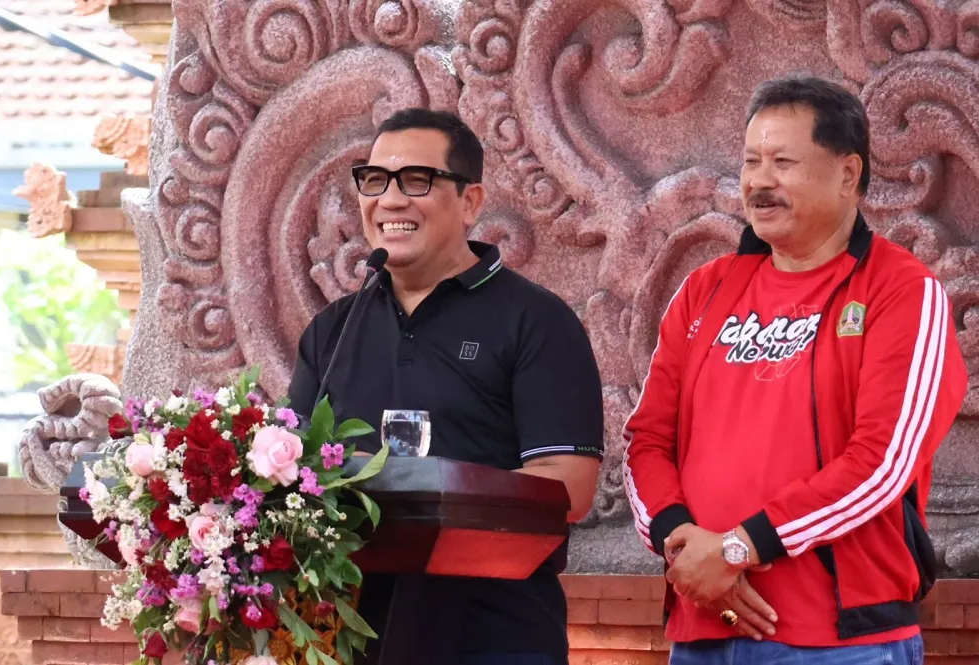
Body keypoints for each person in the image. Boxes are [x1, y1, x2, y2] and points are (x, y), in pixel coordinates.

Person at [622, 75, 968, 665]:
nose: (759, 181)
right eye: (750, 161)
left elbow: (881, 463)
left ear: (848, 174)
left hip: (841, 642)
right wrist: (684, 548)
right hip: (703, 630)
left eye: (782, 162)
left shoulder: (901, 290)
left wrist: (739, 548)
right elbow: (646, 441)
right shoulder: (705, 290)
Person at [287, 108, 604, 665]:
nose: (390, 200)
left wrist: (433, 494)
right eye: (375, 180)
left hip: (493, 637)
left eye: (416, 180)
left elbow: (569, 489)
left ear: (470, 201)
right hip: (347, 636)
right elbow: (289, 476)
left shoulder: (536, 321)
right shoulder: (333, 330)